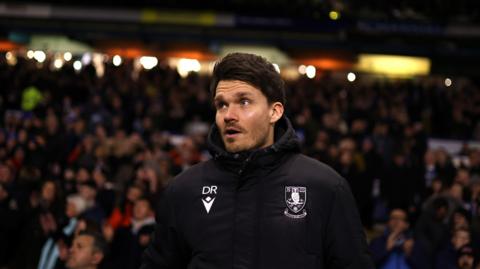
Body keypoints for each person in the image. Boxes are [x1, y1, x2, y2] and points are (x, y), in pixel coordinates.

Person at [141, 52, 373, 268]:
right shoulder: (183, 189)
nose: (229, 115)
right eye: (222, 104)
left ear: (275, 112)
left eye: (244, 102)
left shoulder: (325, 187)